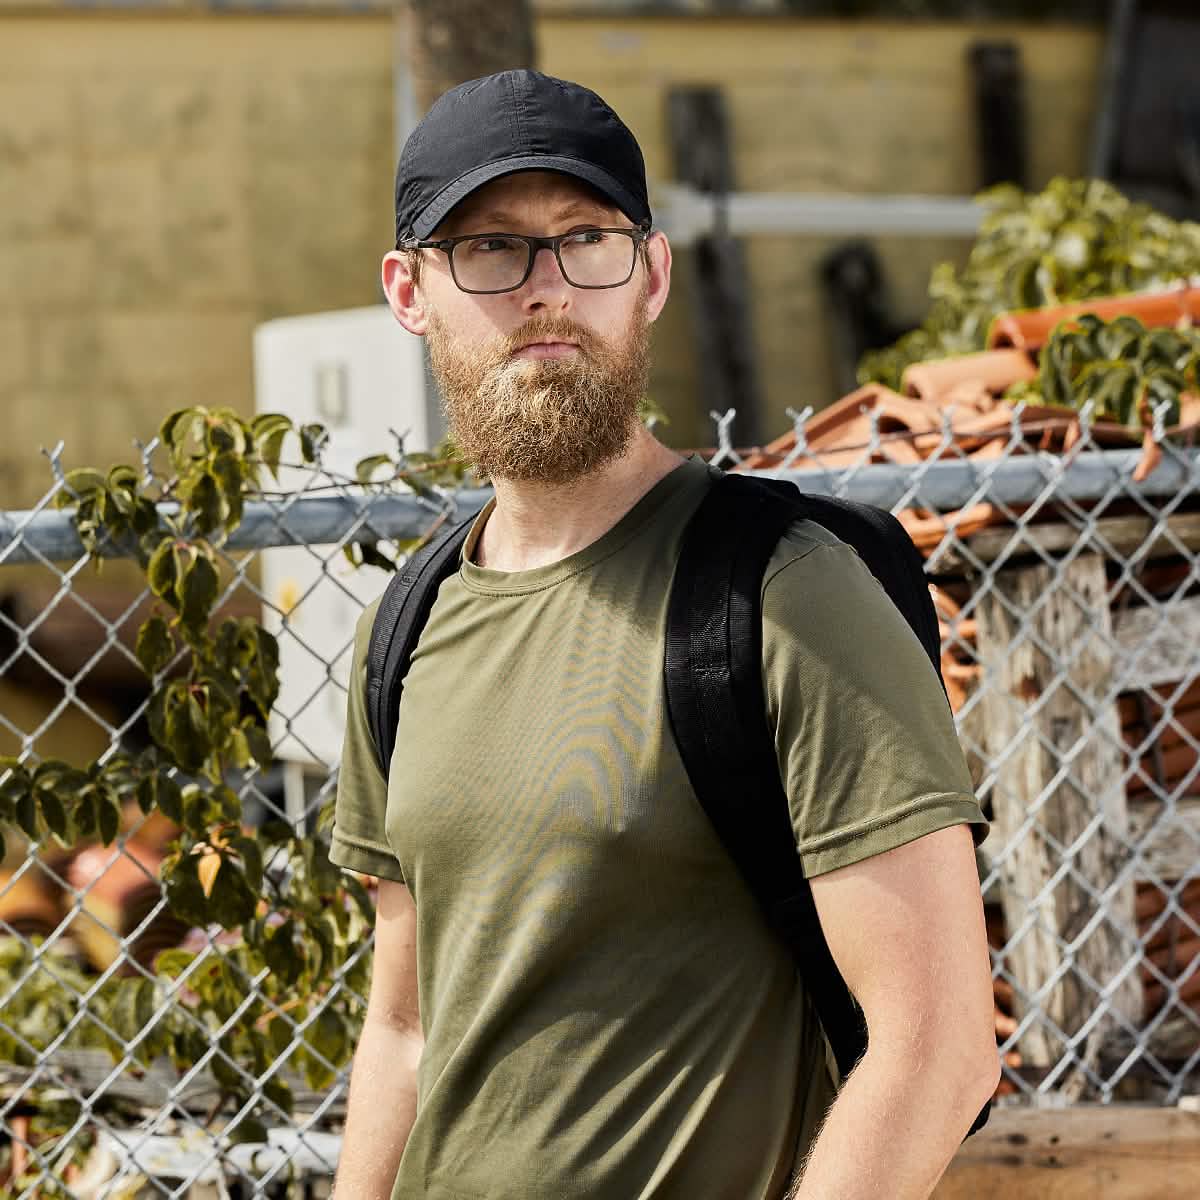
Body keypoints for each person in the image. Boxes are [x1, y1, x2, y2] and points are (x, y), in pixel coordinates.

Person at [329, 69, 999, 1200]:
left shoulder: (784, 593)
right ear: (409, 291)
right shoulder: (409, 625)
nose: (547, 291)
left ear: (651, 276)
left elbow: (936, 1048)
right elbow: (402, 1028)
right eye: (490, 249)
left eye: (587, 240)